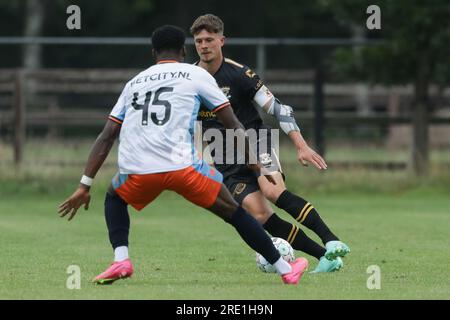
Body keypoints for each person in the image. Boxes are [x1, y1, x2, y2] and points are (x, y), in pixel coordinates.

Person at [58, 25, 308, 285]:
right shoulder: (195, 74)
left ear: (153, 52)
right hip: (182, 167)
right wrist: (254, 164)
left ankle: (121, 259)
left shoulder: (134, 82)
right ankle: (285, 269)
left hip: (138, 169)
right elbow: (232, 122)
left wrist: (84, 185)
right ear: (184, 50)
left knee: (114, 197)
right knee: (235, 213)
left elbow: (107, 135)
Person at [190, 14, 350, 273]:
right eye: (198, 41)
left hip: (255, 141)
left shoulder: (240, 74)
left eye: (209, 39)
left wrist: (301, 145)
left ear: (222, 40)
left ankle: (331, 239)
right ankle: (326, 257)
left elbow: (278, 109)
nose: (204, 45)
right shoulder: (191, 79)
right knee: (260, 215)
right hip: (223, 155)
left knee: (273, 191)